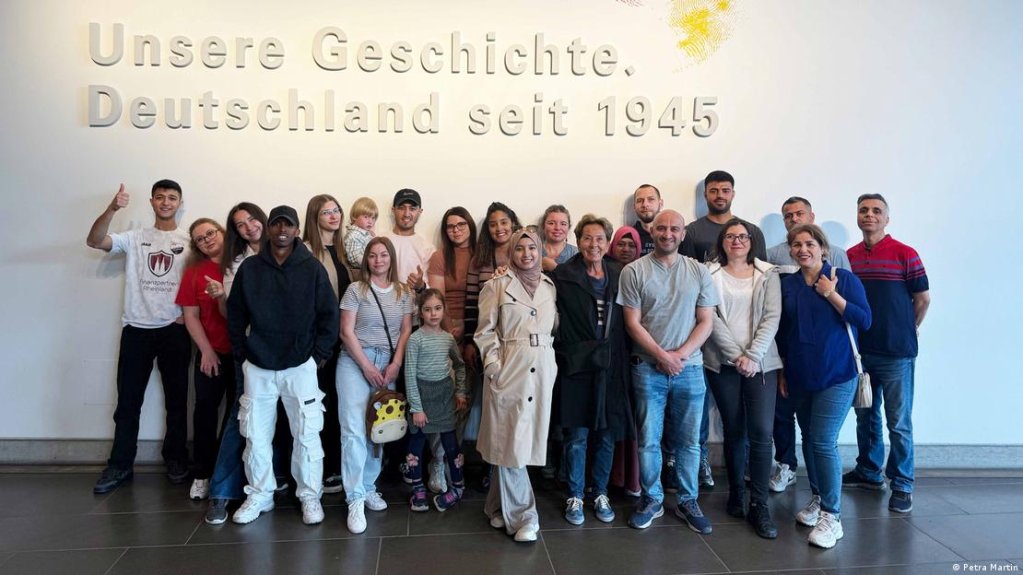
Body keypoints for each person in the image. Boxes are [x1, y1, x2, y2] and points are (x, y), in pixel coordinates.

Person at [227, 205, 339, 526]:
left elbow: (328, 316)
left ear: (296, 231)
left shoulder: (311, 268)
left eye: (287, 225)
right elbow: (235, 315)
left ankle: (309, 495)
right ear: (269, 228)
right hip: (258, 365)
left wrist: (317, 356)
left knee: (306, 433)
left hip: (300, 365)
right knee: (255, 434)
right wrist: (242, 353)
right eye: (276, 224)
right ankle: (260, 494)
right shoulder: (250, 268)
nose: (281, 230)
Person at [87, 181, 191, 494]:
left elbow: (203, 279)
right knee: (128, 403)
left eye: (172, 198)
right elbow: (94, 240)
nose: (165, 202)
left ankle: (175, 458)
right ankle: (120, 465)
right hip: (136, 328)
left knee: (177, 401)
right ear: (151, 202)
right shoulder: (134, 238)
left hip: (175, 329)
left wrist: (191, 313)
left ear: (179, 203)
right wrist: (113, 208)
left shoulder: (188, 240)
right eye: (160, 197)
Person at [618, 210, 717, 534]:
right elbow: (632, 322)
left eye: (674, 228)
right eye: (661, 228)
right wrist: (661, 355)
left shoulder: (699, 271)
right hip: (647, 368)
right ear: (652, 232)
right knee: (649, 440)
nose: (668, 234)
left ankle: (688, 501)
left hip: (690, 369)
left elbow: (706, 320)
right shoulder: (634, 271)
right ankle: (652, 499)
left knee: (689, 442)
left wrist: (679, 356)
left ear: (683, 233)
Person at [778, 223, 871, 549]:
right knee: (809, 438)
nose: (803, 249)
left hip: (838, 374)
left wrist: (831, 294)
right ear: (790, 250)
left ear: (823, 248)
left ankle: (833, 516)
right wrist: (784, 372)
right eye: (797, 244)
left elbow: (865, 320)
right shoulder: (787, 284)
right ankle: (818, 497)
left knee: (822, 441)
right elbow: (784, 332)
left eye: (810, 244)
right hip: (801, 375)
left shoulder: (843, 279)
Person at [680, 170, 767, 488]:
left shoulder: (752, 230)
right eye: (713, 190)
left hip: (755, 350)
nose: (719, 195)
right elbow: (689, 281)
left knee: (754, 421)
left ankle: (749, 473)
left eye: (725, 190)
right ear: (705, 195)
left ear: (733, 192)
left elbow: (764, 284)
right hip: (706, 340)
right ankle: (702, 459)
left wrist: (754, 350)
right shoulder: (692, 231)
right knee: (702, 407)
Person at [844, 194, 930, 514]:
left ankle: (902, 483)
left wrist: (908, 328)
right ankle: (868, 470)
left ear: (886, 219)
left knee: (898, 422)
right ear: (857, 216)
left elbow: (922, 300)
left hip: (896, 353)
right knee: (866, 414)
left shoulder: (905, 253)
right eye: (864, 210)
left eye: (876, 211)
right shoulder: (850, 256)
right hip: (860, 352)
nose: (869, 215)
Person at [476, 229, 558, 542]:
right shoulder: (496, 286)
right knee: (512, 440)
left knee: (514, 440)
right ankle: (524, 516)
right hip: (510, 367)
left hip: (541, 370)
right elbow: (485, 332)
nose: (526, 254)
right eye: (520, 248)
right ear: (511, 253)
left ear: (540, 251)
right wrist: (494, 366)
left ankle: (497, 508)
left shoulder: (550, 287)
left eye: (532, 248)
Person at [702, 218, 782, 539]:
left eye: (743, 236)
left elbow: (772, 317)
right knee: (734, 431)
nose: (737, 241)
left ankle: (759, 505)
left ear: (752, 241)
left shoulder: (768, 273)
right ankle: (736, 494)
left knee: (761, 433)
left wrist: (753, 356)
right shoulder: (708, 274)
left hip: (762, 364)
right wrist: (737, 356)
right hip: (723, 363)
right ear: (722, 241)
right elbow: (711, 317)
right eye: (731, 236)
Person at [765, 196, 850, 494]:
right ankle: (791, 469)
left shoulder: (839, 259)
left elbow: (856, 314)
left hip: (832, 363)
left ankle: (828, 505)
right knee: (791, 421)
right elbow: (777, 313)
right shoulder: (775, 258)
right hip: (793, 358)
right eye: (788, 215)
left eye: (800, 213)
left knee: (821, 439)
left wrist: (830, 293)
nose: (794, 218)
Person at [551, 215, 632, 525]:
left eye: (600, 238)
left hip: (612, 366)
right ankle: (574, 494)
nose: (593, 244)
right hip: (577, 365)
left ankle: (599, 491)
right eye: (587, 238)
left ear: (607, 242)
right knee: (577, 434)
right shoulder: (563, 274)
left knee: (607, 434)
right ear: (578, 239)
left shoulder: (620, 273)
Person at [337, 237, 414, 534]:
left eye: (384, 255)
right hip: (356, 363)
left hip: (388, 363)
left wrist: (395, 364)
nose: (378, 260)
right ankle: (354, 497)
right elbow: (346, 331)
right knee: (354, 429)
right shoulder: (356, 290)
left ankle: (369, 486)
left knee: (378, 430)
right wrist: (367, 366)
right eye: (373, 255)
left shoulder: (404, 292)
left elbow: (406, 330)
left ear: (391, 259)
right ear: (366, 259)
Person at [175, 218, 235, 502]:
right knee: (204, 413)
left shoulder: (242, 262)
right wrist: (207, 351)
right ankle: (201, 474)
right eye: (200, 238)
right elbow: (190, 315)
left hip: (244, 354)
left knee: (237, 417)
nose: (207, 239)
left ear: (222, 232)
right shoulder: (194, 272)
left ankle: (228, 471)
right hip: (212, 352)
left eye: (211, 233)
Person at [303, 194, 354, 496]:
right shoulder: (308, 252)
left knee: (340, 403)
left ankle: (337, 465)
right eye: (326, 212)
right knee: (319, 404)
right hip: (321, 341)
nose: (334, 216)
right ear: (315, 217)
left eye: (336, 210)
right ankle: (321, 468)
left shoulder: (345, 249)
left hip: (345, 339)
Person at [463, 203, 522, 459]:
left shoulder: (525, 252)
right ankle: (489, 460)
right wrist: (469, 341)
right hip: (489, 341)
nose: (499, 228)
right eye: (493, 223)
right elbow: (471, 302)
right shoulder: (480, 259)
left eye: (504, 222)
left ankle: (513, 456)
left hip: (518, 341)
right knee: (490, 402)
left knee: (515, 403)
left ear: (513, 223)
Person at [404, 289, 469, 512]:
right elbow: (409, 374)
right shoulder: (415, 340)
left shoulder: (448, 338)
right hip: (421, 398)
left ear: (444, 310)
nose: (433, 314)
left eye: (438, 308)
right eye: (428, 309)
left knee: (451, 444)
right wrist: (416, 408)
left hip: (444, 398)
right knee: (417, 444)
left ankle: (458, 486)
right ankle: (418, 489)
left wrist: (460, 392)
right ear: (420, 312)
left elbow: (460, 366)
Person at [608, 225, 643, 498]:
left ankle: (630, 477)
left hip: (640, 352)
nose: (626, 250)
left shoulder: (644, 270)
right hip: (612, 354)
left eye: (631, 245)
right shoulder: (604, 271)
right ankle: (610, 476)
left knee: (637, 417)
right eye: (621, 244)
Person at [540, 204, 578, 272]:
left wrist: (556, 268)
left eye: (563, 224)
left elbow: (580, 281)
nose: (557, 228)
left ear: (569, 227)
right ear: (543, 226)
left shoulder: (576, 254)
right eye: (551, 223)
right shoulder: (533, 251)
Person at [344, 196, 378, 269]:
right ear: (354, 216)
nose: (370, 221)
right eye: (366, 217)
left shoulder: (366, 234)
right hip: (361, 271)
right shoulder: (354, 235)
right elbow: (354, 258)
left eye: (373, 218)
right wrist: (372, 263)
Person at [631, 184, 663, 256]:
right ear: (634, 207)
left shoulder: (672, 234)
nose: (645, 204)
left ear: (661, 204)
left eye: (651, 199)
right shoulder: (629, 237)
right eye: (639, 200)